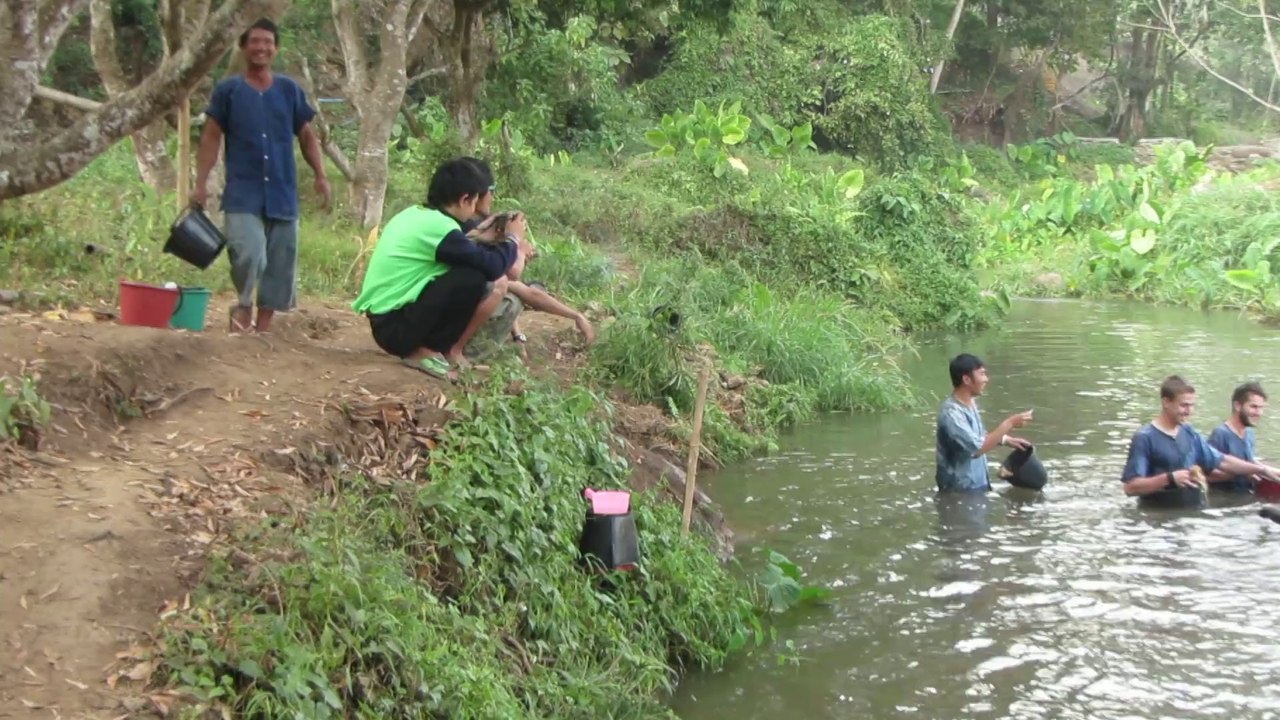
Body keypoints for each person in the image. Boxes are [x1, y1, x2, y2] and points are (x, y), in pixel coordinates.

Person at [193, 18, 331, 334]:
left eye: (268, 42)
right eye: (255, 41)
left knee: (281, 261)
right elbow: (211, 137)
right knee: (248, 253)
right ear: (243, 47)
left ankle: (263, 329)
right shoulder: (229, 90)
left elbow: (307, 135)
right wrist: (200, 184)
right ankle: (242, 307)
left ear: (276, 48)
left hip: (283, 193)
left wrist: (321, 175)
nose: (261, 47)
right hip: (243, 192)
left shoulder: (288, 90)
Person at [352, 158, 531, 379]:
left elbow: (461, 250)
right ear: (465, 199)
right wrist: (513, 239)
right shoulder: (440, 228)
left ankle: (430, 349)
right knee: (472, 277)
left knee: (467, 273)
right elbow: (493, 267)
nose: (475, 209)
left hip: (388, 323)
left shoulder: (417, 215)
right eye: (474, 201)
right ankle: (426, 351)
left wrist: (478, 236)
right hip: (396, 329)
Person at [1120, 375, 1279, 502]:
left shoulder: (1190, 433)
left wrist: (1261, 469)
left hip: (1191, 520)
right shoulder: (1145, 437)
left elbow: (1222, 461)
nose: (1189, 411)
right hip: (1159, 522)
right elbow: (1130, 487)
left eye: (1192, 405)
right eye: (1184, 405)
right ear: (1166, 402)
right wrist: (1169, 479)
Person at [935, 353, 1034, 492]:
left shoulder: (970, 403)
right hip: (960, 491)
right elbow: (977, 450)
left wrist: (1005, 440)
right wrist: (1009, 423)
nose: (986, 379)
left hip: (976, 486)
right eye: (981, 374)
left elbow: (975, 437)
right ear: (966, 379)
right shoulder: (951, 413)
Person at [1206, 382, 1271, 492]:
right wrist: (1241, 472)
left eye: (1261, 408)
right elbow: (1205, 474)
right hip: (1225, 500)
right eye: (1254, 407)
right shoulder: (1220, 434)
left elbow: (1249, 462)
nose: (1258, 413)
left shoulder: (1249, 432)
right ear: (1237, 406)